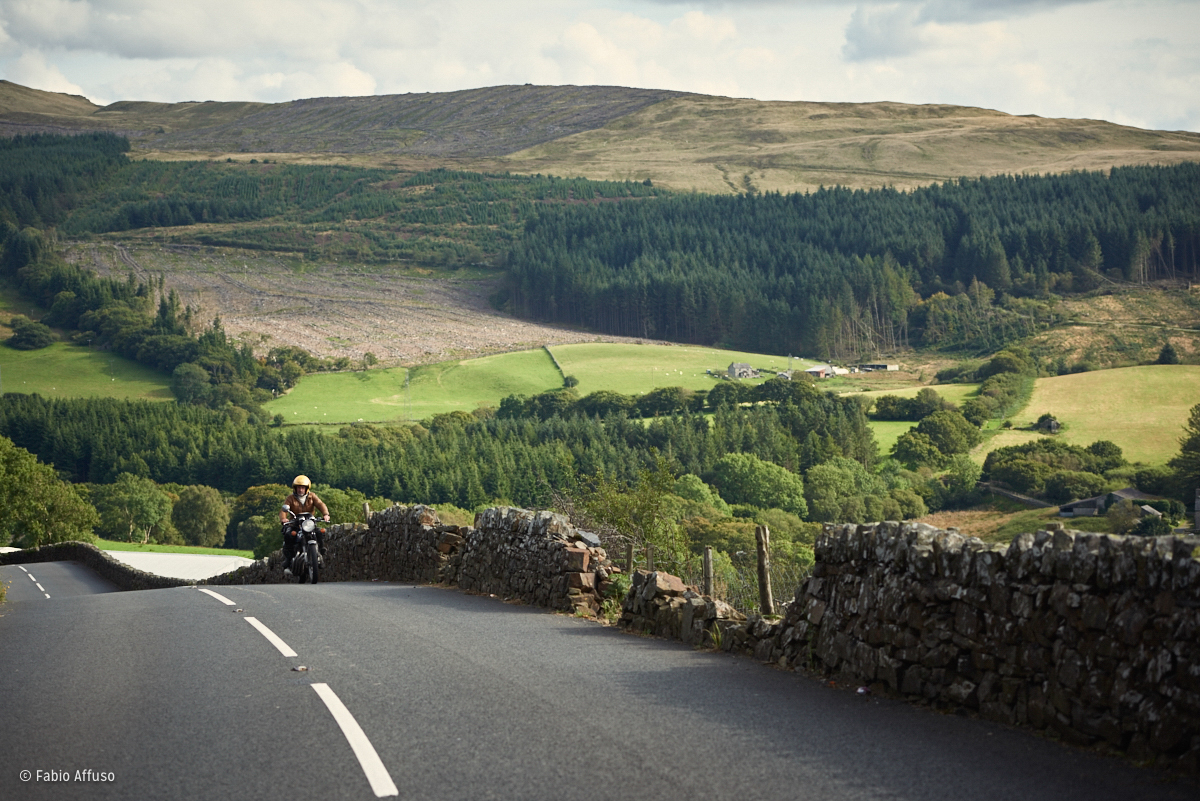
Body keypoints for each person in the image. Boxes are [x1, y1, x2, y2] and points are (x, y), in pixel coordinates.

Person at [280, 475, 330, 577]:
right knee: (289, 535)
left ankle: (320, 551)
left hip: (309, 522)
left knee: (320, 532)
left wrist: (325, 514)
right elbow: (283, 510)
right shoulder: (290, 498)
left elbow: (320, 504)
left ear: (306, 488)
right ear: (295, 488)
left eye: (302, 487)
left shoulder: (312, 496)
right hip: (295, 523)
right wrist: (283, 519)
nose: (300, 489)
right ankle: (288, 559)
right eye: (298, 487)